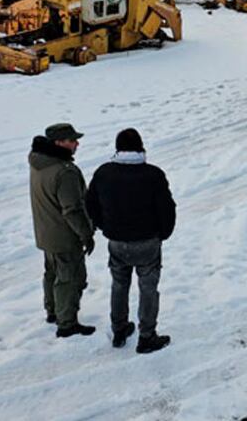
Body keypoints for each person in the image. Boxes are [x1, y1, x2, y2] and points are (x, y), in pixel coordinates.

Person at [86, 128, 176, 354]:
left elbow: (90, 205)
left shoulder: (103, 173)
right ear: (140, 146)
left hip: (116, 242)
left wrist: (104, 226)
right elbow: (167, 209)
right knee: (148, 289)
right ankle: (147, 336)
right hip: (147, 243)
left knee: (119, 285)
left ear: (118, 148)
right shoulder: (153, 175)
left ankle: (119, 329)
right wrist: (163, 234)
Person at [29, 123, 96, 338]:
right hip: (64, 236)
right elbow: (72, 210)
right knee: (71, 278)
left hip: (45, 231)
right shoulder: (64, 172)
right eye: (72, 140)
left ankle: (53, 311)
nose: (77, 143)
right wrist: (86, 234)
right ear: (59, 143)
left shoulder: (39, 163)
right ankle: (67, 323)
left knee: (52, 272)